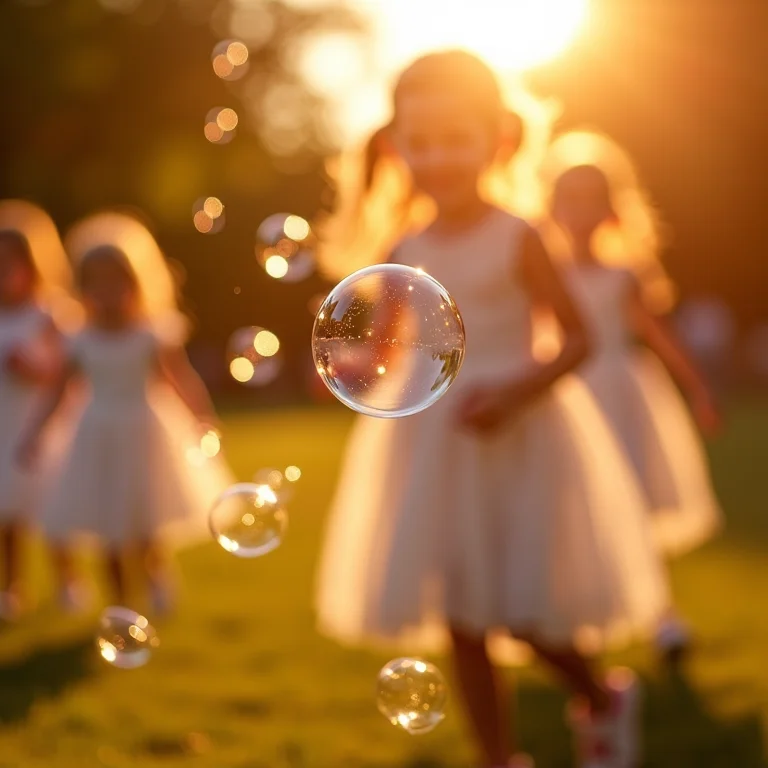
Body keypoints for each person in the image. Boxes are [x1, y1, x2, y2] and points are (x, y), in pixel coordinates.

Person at [314, 51, 670, 768]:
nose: (438, 156)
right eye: (422, 141)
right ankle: (497, 757)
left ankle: (601, 695)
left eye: (456, 138)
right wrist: (349, 362)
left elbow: (579, 340)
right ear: (398, 146)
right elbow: (383, 345)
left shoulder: (519, 234)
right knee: (460, 616)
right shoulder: (405, 246)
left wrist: (514, 392)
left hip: (521, 430)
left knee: (521, 610)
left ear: (497, 140)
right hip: (436, 437)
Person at [543, 130, 723, 658]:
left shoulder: (624, 274)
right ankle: (582, 617)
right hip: (567, 397)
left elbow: (661, 335)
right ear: (550, 204)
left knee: (634, 504)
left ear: (611, 208)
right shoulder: (543, 272)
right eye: (567, 198)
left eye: (591, 199)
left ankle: (662, 616)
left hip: (621, 394)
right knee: (573, 508)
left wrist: (699, 390)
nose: (578, 210)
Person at [18, 212, 232, 616]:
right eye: (96, 282)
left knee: (144, 516)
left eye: (116, 281)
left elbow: (181, 380)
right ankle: (120, 602)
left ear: (135, 284)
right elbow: (55, 393)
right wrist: (34, 434)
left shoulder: (152, 333)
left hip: (144, 431)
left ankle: (156, 580)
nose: (107, 291)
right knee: (108, 525)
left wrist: (204, 418)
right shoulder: (78, 339)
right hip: (96, 434)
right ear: (82, 289)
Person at [0, 201, 79, 620]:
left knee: (51, 510)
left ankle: (69, 581)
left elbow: (68, 373)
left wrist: (32, 369)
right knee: (6, 512)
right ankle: (12, 587)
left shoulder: (48, 313)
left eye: (8, 264)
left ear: (32, 265)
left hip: (40, 425)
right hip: (3, 425)